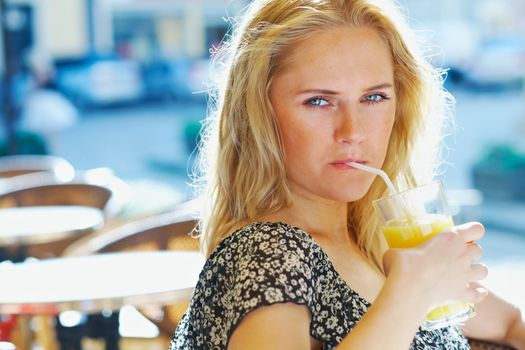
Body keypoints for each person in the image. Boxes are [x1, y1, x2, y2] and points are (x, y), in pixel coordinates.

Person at [171, 0, 525, 349]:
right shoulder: (269, 252)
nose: (352, 131)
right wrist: (411, 292)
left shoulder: (378, 242)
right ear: (260, 115)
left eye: (373, 97)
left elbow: (510, 322)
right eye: (319, 101)